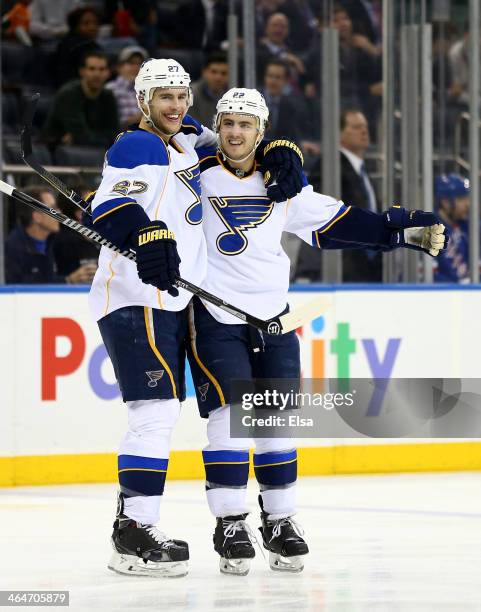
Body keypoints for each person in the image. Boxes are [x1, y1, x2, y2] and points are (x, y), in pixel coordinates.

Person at [190, 88, 448, 575]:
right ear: (218, 127)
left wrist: (398, 231)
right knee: (228, 415)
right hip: (215, 317)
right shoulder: (196, 178)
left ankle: (281, 520)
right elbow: (168, 150)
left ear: (261, 132)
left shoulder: (280, 183)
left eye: (247, 124)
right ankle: (229, 523)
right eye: (227, 122)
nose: (235, 132)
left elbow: (337, 222)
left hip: (276, 319)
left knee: (275, 420)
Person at [87, 58, 306, 578]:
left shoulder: (188, 138)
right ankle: (134, 529)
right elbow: (107, 206)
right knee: (154, 413)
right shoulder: (137, 145)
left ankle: (137, 525)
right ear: (142, 100)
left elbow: (238, 143)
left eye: (183, 95)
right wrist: (145, 232)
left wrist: (282, 150)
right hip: (136, 296)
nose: (177, 105)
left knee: (167, 412)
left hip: (173, 301)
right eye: (165, 96)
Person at [295, 109, 382, 282]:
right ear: (340, 133)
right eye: (357, 127)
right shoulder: (331, 166)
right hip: (342, 267)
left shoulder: (363, 171)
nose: (364, 131)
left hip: (365, 268)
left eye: (365, 127)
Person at [5, 186, 98, 284]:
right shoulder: (12, 248)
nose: (60, 212)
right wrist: (68, 280)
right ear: (37, 217)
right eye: (53, 209)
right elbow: (20, 289)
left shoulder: (53, 240)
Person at [43, 50, 119, 148]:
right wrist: (102, 138)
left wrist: (83, 137)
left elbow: (115, 135)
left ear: (108, 73)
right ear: (82, 72)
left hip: (92, 149)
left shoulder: (108, 96)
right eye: (92, 69)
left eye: (102, 69)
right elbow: (80, 135)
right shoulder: (69, 94)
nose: (97, 74)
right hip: (56, 149)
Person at [434, 174, 470, 283]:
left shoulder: (464, 227)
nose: (467, 204)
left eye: (467, 198)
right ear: (445, 202)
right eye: (461, 199)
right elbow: (428, 277)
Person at [105, 45, 148, 128]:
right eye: (131, 63)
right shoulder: (110, 89)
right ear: (119, 67)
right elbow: (110, 126)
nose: (136, 67)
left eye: (140, 64)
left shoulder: (149, 90)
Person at [189, 52, 229, 127]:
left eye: (223, 73)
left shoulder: (232, 95)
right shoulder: (190, 95)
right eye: (214, 72)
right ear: (204, 72)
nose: (218, 77)